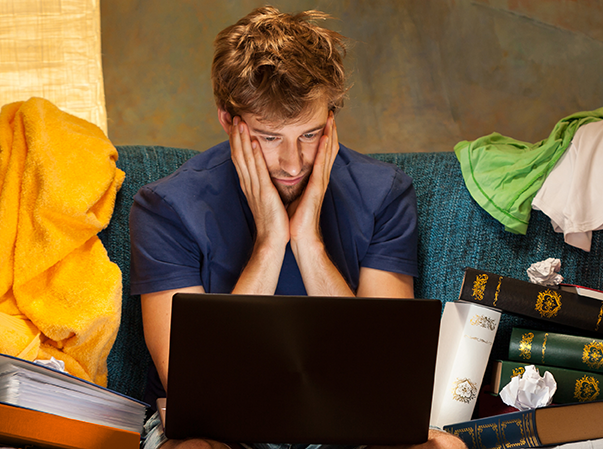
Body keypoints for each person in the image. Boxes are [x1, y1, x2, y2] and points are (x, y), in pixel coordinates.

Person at [129, 6, 464, 449]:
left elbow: (379, 377)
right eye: (270, 138)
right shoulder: (165, 207)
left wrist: (308, 241)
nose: (293, 164)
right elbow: (200, 391)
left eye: (309, 134)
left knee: (443, 448)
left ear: (331, 118)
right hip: (216, 431)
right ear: (229, 120)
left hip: (344, 422)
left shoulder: (384, 193)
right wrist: (270, 242)